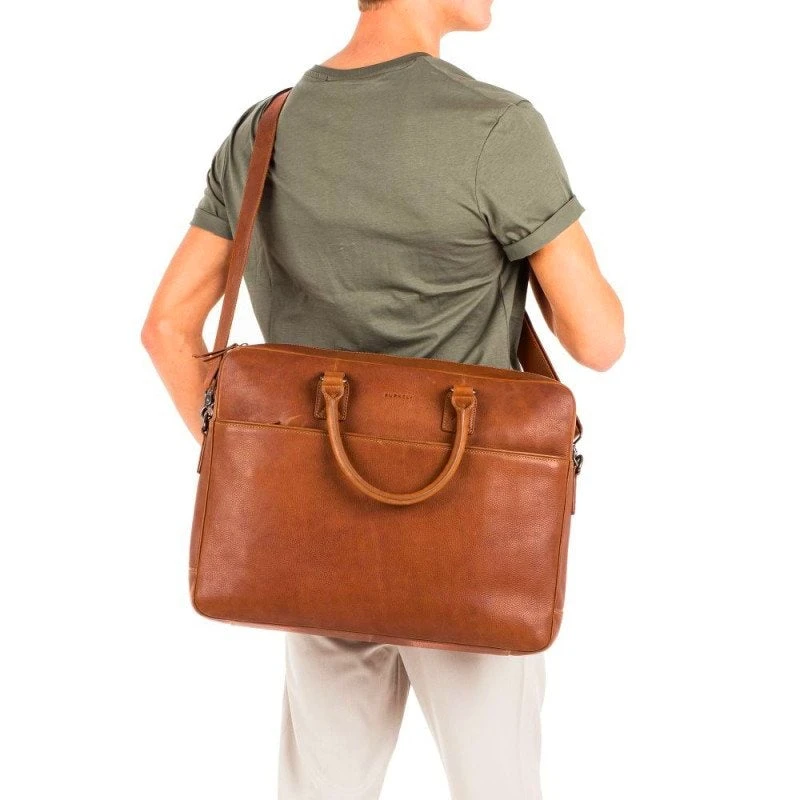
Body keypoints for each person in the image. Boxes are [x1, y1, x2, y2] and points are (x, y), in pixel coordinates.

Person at [141, 0, 625, 797]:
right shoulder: (495, 128)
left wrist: (266, 469)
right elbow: (599, 341)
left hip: (315, 536)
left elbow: (167, 327)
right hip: (472, 548)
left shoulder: (265, 131)